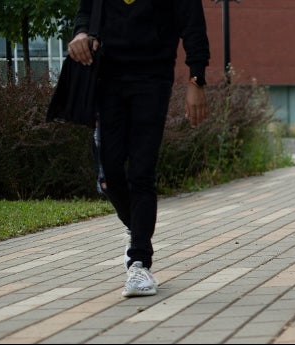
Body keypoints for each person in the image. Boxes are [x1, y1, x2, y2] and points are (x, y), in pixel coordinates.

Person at [68, 0, 210, 296]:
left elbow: (193, 25)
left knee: (142, 172)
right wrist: (81, 33)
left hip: (152, 79)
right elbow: (86, 12)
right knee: (109, 174)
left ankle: (139, 264)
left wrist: (197, 79)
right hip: (107, 78)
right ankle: (137, 225)